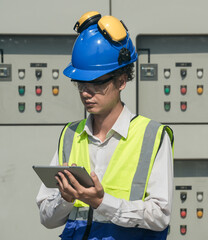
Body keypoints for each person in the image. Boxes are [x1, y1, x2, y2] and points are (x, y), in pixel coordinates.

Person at [36, 11, 174, 240]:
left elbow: (160, 216)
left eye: (96, 83)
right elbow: (46, 218)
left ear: (122, 81)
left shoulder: (153, 136)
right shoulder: (70, 135)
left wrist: (101, 202)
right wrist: (66, 199)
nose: (85, 92)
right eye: (80, 83)